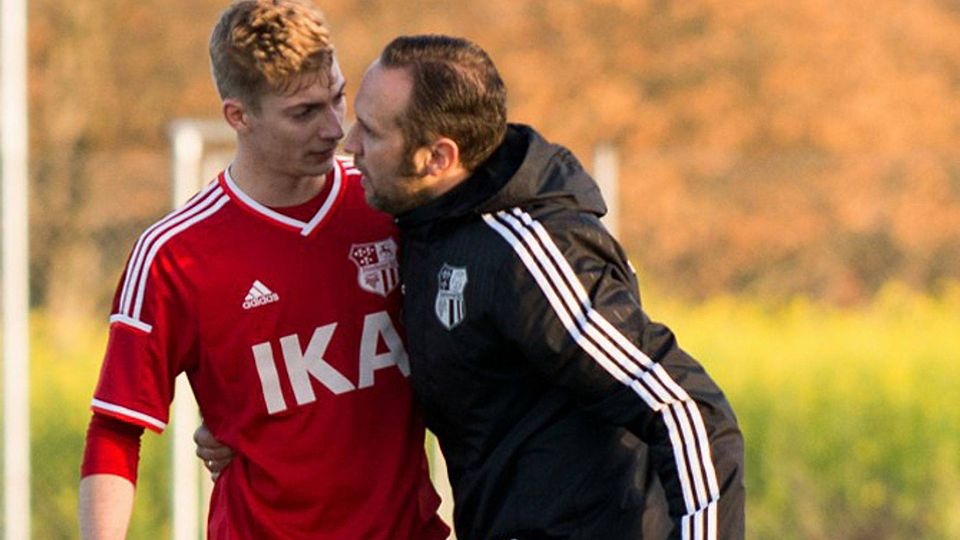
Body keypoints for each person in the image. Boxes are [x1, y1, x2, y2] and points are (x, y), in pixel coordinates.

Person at [201, 34, 745, 539]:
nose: (350, 144)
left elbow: (687, 412)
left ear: (438, 158)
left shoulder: (528, 254)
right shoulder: (420, 223)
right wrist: (249, 423)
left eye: (373, 131)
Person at [78, 2, 448, 539]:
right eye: (303, 112)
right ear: (238, 116)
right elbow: (115, 427)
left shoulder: (392, 203)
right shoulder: (174, 255)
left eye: (338, 98)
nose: (333, 129)